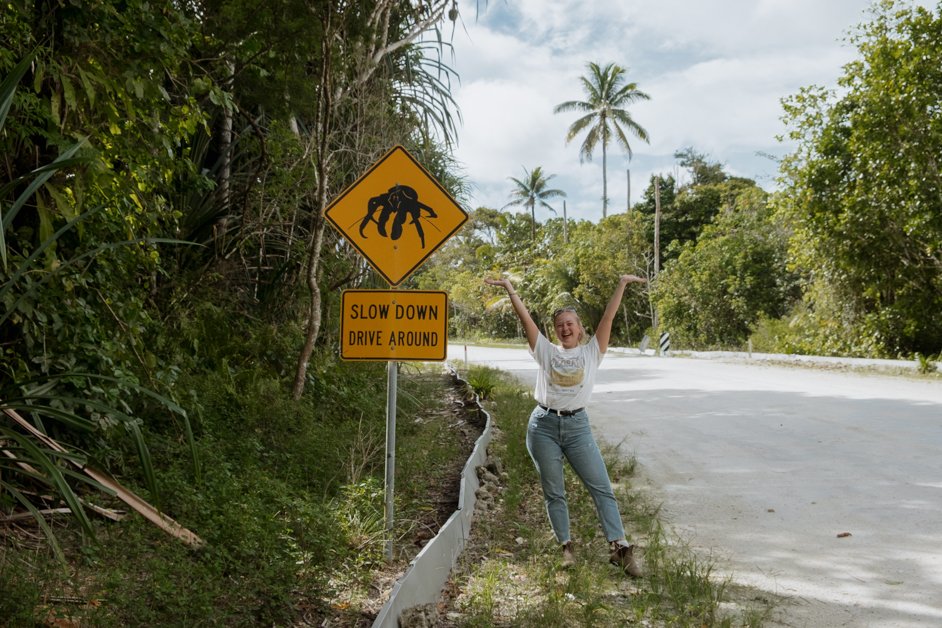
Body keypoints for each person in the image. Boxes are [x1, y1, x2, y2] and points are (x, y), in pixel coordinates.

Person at [484, 273, 646, 576]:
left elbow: (608, 318)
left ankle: (620, 548)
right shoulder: (545, 351)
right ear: (555, 331)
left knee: (601, 488)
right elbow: (525, 319)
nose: (565, 328)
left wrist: (622, 284)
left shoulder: (592, 352)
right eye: (560, 325)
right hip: (543, 426)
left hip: (577, 427)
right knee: (554, 491)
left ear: (580, 329)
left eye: (570, 323)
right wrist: (509, 289)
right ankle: (567, 548)